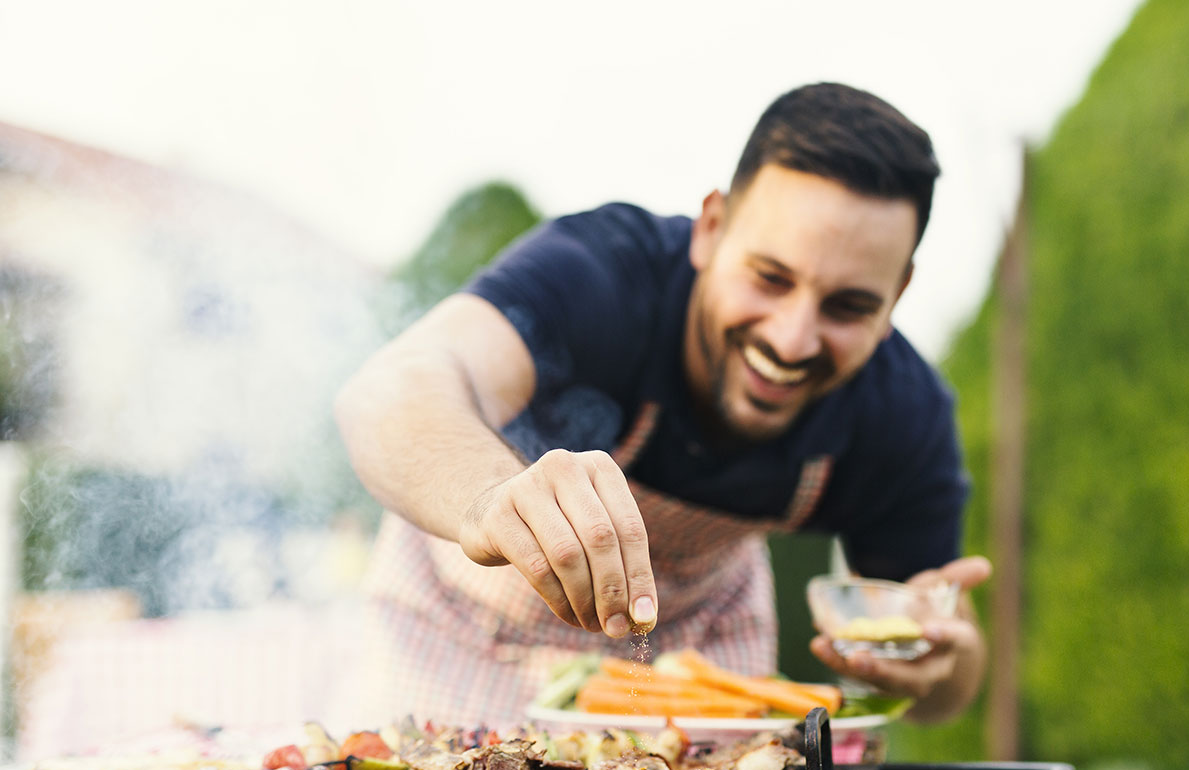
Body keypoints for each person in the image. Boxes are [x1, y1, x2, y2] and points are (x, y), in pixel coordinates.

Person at [336, 82, 990, 729]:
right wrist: (488, 498)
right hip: (460, 635)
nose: (792, 340)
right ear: (710, 229)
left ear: (897, 293)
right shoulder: (604, 273)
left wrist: (936, 665)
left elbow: (946, 687)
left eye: (849, 306)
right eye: (770, 277)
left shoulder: (902, 412)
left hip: (694, 660)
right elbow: (389, 391)